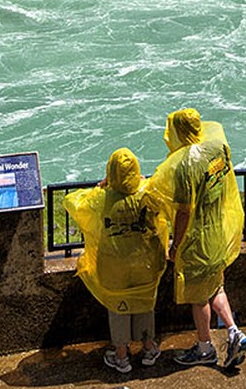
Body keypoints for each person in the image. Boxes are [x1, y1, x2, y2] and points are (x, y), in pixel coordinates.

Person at [146, 108, 246, 368]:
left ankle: (205, 348)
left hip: (197, 239)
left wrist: (176, 244)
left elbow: (184, 211)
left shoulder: (185, 165)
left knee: (198, 297)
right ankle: (234, 331)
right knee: (216, 286)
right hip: (218, 232)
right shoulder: (218, 148)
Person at [63, 148, 168, 375]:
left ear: (110, 171)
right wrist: (143, 183)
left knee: (118, 307)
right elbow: (164, 206)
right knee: (144, 303)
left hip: (113, 265)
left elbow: (72, 203)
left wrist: (100, 186)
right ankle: (148, 347)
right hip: (145, 261)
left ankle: (121, 356)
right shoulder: (147, 193)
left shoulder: (102, 198)